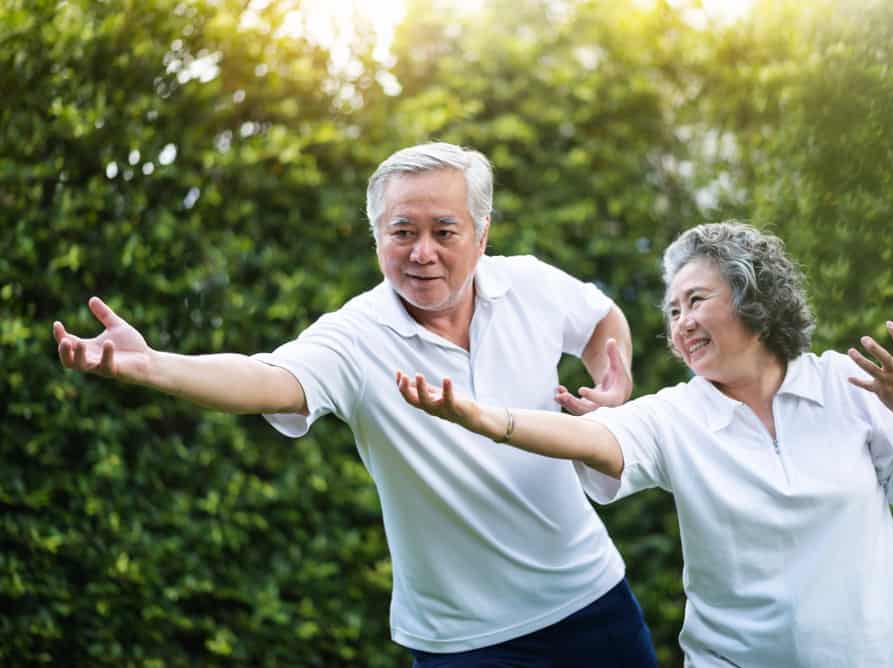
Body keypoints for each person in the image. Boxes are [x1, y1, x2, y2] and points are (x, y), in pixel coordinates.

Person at [53, 143, 660, 666]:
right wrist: (154, 365)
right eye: (402, 233)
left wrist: (616, 373)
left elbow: (600, 318)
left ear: (482, 232)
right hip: (464, 642)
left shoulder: (528, 283)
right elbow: (268, 378)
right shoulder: (356, 335)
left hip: (592, 600)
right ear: (377, 237)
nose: (422, 252)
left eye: (444, 232)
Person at [398, 221, 893, 667]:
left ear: (752, 300)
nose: (681, 322)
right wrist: (487, 419)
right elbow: (592, 437)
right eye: (673, 310)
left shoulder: (843, 384)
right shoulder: (676, 416)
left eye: (696, 301)